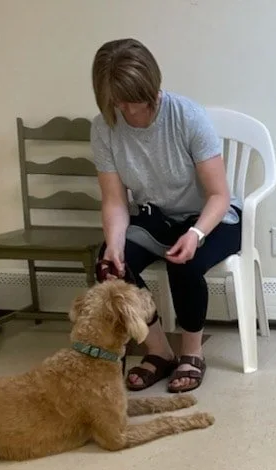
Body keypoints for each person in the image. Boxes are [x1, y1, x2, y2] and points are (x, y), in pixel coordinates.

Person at [89, 38, 240, 393]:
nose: (131, 112)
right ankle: (158, 350)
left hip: (212, 218)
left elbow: (220, 196)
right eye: (120, 103)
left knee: (183, 261)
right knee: (111, 265)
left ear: (153, 88)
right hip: (157, 219)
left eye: (138, 102)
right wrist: (114, 245)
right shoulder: (103, 127)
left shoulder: (186, 116)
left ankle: (192, 352)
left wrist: (197, 234)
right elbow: (114, 201)